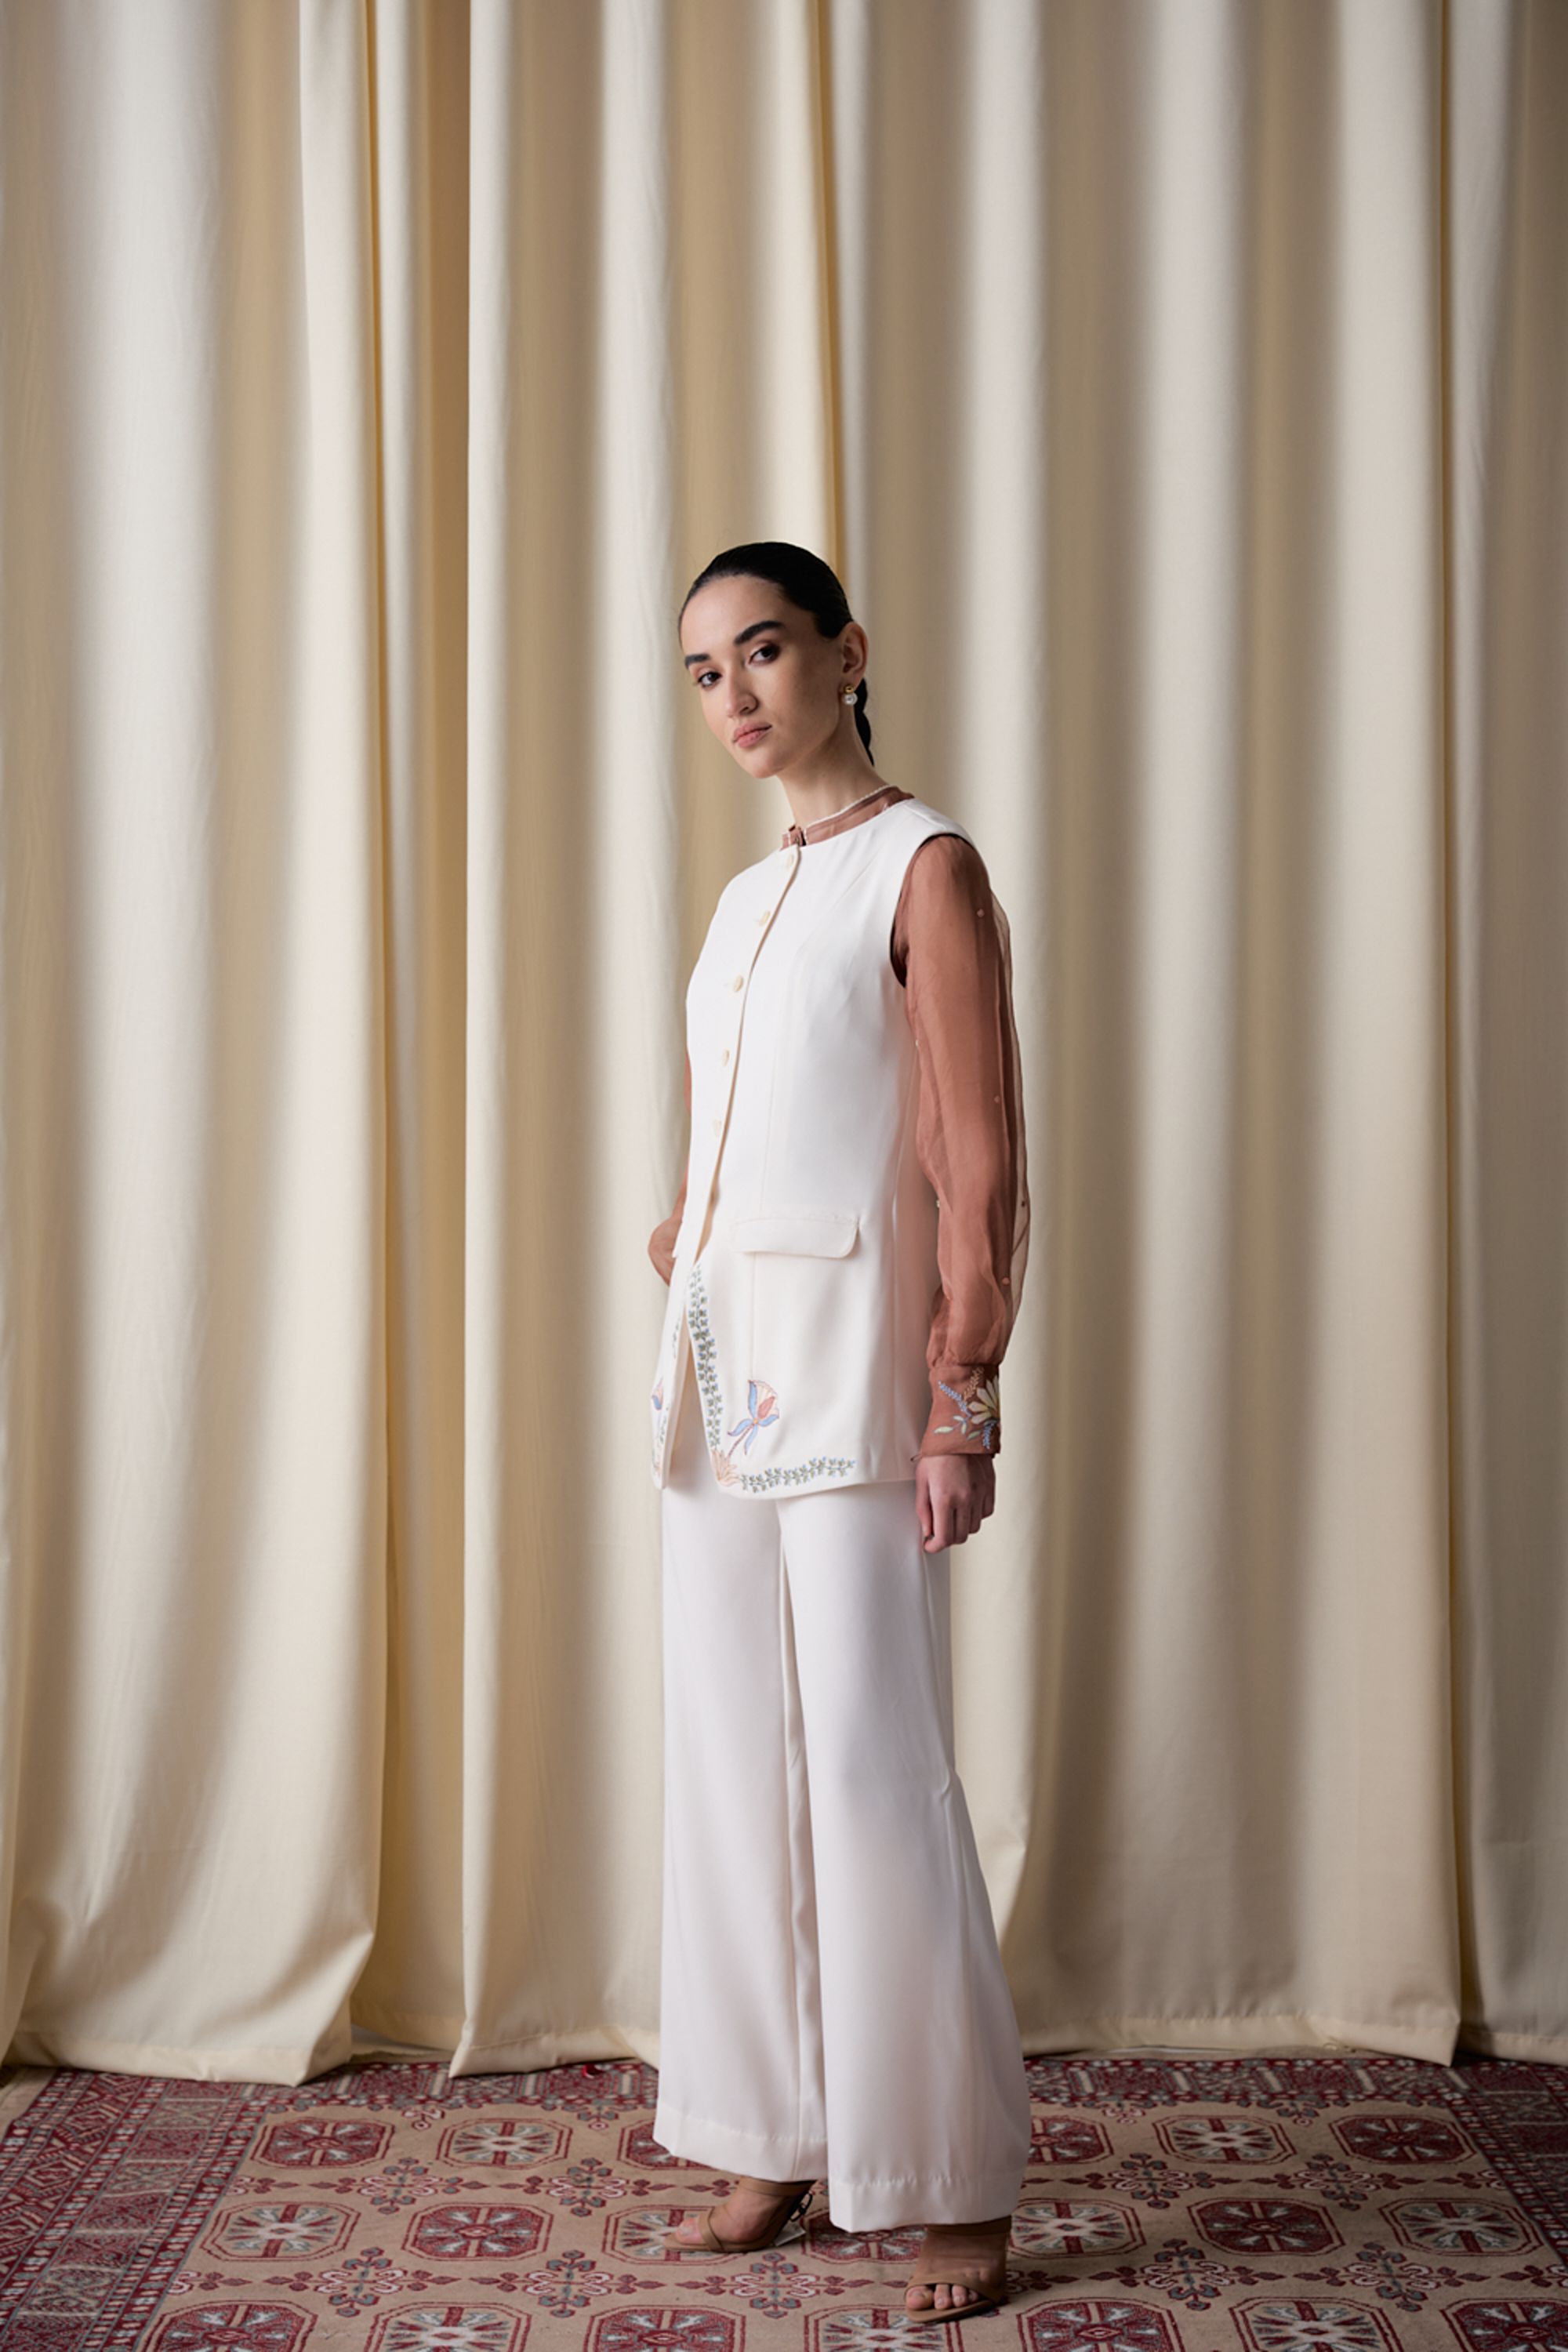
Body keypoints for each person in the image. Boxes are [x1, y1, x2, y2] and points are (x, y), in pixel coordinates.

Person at [647, 541, 1032, 2321]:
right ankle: (770, 2128)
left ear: (846, 653)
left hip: (866, 1393)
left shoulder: (925, 865)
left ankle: (950, 2175)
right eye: (702, 672)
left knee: (876, 1769)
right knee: (732, 1761)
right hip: (721, 1381)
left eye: (764, 652)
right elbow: (736, 1130)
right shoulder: (743, 899)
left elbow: (974, 1158)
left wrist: (964, 1398)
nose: (734, 696)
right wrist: (687, 1236)